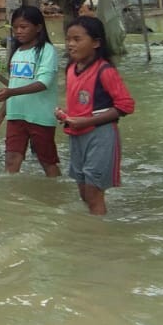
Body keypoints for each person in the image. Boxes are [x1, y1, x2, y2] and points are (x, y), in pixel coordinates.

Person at [54, 16, 136, 216]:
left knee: (93, 193)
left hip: (100, 135)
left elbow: (126, 106)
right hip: (76, 134)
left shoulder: (105, 70)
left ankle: (100, 237)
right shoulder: (71, 68)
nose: (71, 44)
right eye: (68, 39)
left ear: (96, 43)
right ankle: (94, 230)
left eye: (77, 39)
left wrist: (87, 121)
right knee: (83, 190)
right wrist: (64, 114)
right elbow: (79, 101)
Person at [0, 5, 60, 176]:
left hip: (40, 117)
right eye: (15, 28)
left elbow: (44, 83)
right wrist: (1, 113)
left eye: (23, 27)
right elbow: (13, 85)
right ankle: (11, 199)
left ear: (38, 27)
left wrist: (10, 92)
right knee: (11, 160)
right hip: (15, 116)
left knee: (47, 162)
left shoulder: (47, 51)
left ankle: (57, 197)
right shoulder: (17, 52)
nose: (18, 32)